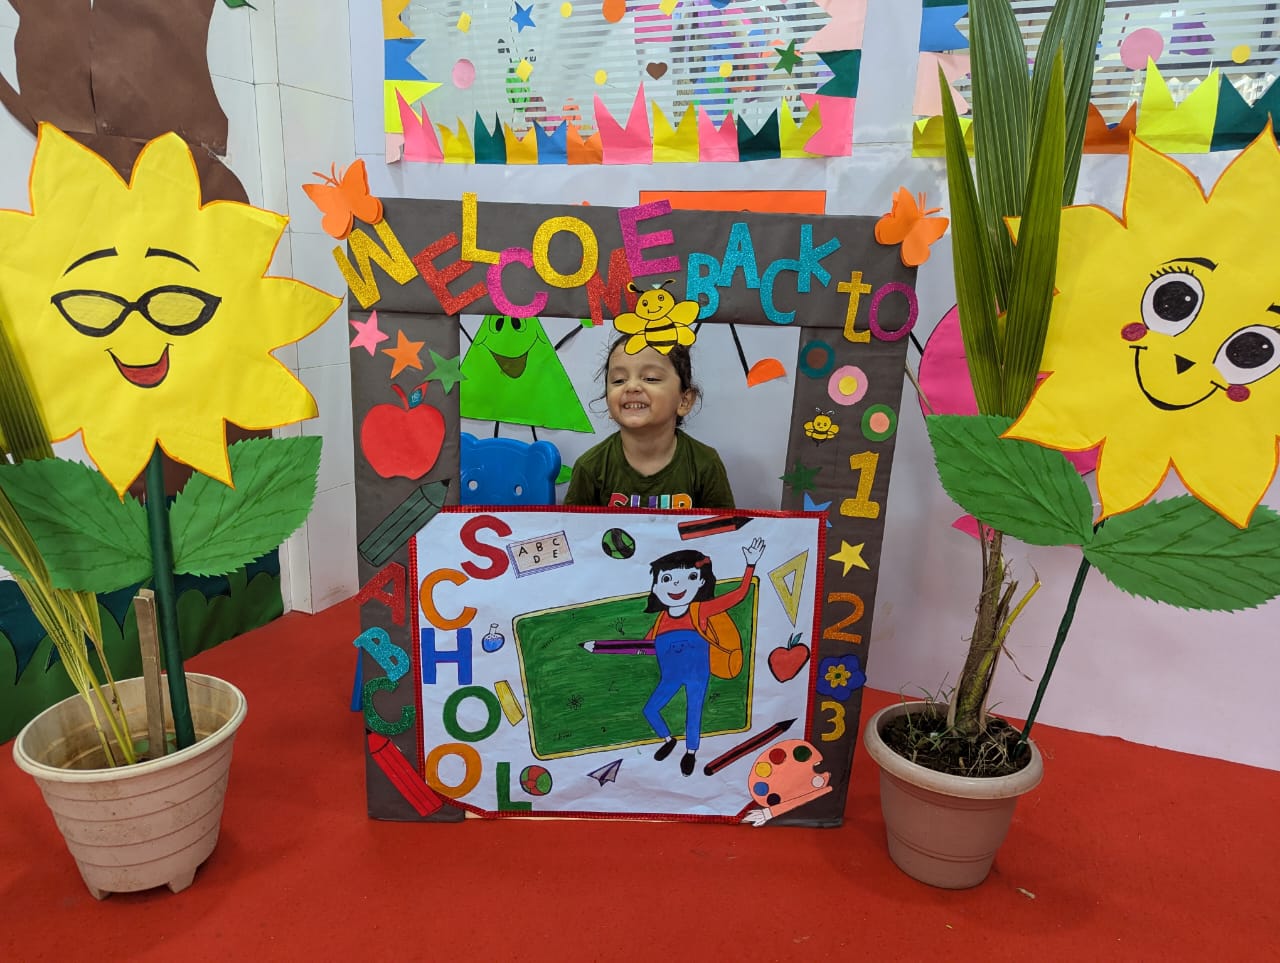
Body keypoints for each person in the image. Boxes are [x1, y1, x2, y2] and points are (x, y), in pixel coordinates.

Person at [564, 334, 734, 509]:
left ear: (684, 401)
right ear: (608, 402)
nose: (631, 387)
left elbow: (726, 526)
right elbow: (571, 526)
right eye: (619, 380)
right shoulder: (590, 467)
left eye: (651, 378)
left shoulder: (706, 464)